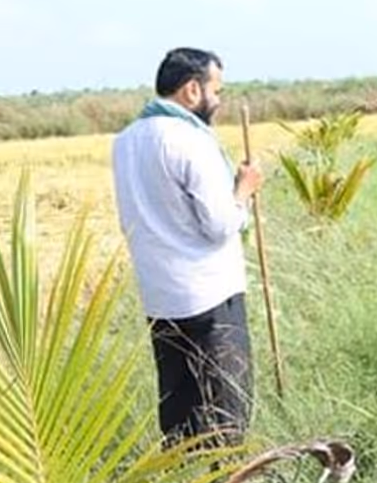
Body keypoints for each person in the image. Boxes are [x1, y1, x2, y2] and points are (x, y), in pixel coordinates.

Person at [112, 47, 264, 446]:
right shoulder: (192, 141)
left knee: (178, 398)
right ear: (192, 90)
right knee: (224, 398)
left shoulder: (125, 140)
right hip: (208, 291)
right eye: (218, 90)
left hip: (160, 293)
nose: (220, 100)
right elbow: (218, 225)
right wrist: (244, 191)